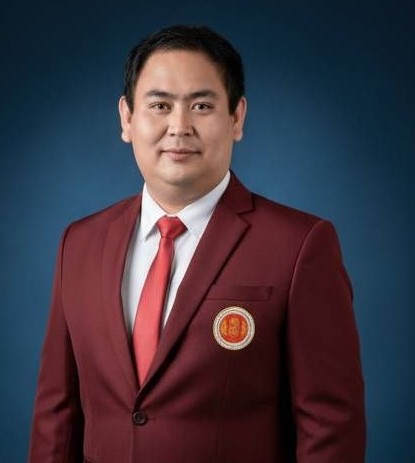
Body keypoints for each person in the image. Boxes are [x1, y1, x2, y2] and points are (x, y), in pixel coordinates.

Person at [28, 25, 366, 463]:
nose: (179, 127)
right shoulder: (79, 243)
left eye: (202, 106)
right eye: (160, 105)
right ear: (127, 118)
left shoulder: (300, 245)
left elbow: (330, 424)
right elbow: (57, 414)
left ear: (237, 117)